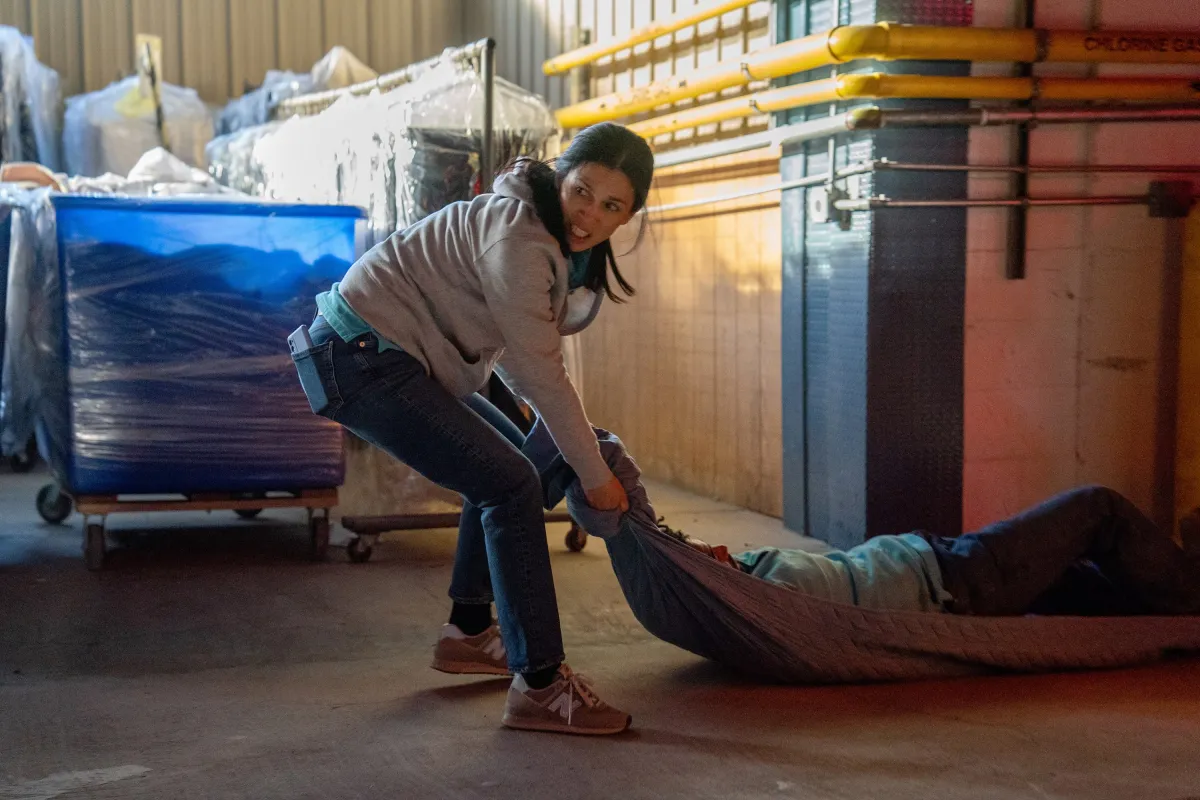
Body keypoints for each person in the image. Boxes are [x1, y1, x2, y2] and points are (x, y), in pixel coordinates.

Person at [289, 122, 654, 736]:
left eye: (612, 206)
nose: (590, 215)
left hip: (392, 356)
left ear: (629, 215)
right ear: (561, 177)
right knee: (511, 483)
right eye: (582, 191)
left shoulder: (546, 235)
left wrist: (561, 439)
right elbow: (540, 370)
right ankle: (541, 686)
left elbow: (515, 351)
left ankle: (469, 630)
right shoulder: (520, 236)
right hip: (362, 357)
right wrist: (594, 476)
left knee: (515, 465)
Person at [676, 486, 1200, 617]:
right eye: (703, 553)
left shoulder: (751, 567)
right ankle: (1192, 590)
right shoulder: (766, 596)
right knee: (1098, 508)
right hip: (960, 577)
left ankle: (1181, 587)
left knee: (1095, 583)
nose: (715, 546)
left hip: (945, 559)